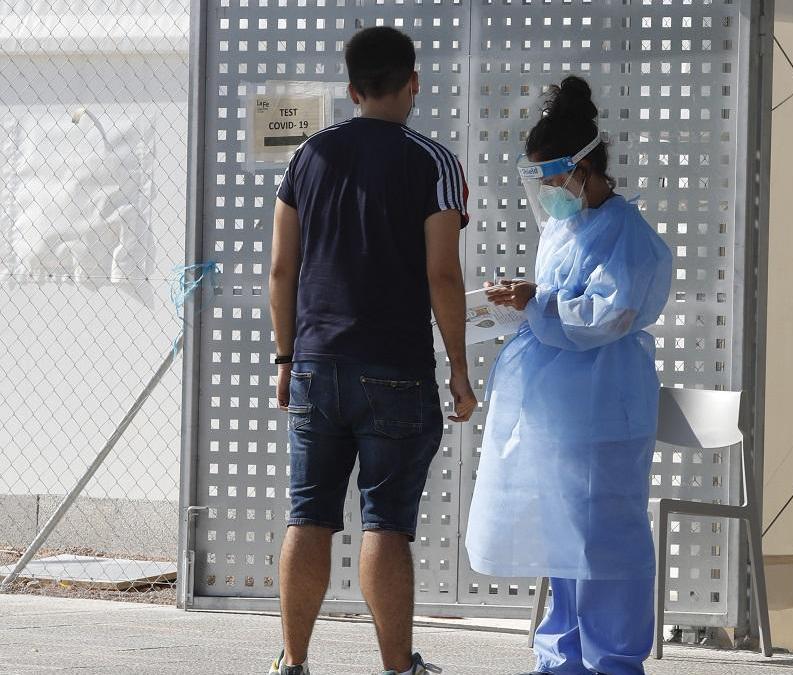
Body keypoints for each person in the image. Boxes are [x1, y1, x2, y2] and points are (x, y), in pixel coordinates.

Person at [267, 26, 475, 675]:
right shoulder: (432, 162)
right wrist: (461, 372)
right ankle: (396, 667)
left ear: (353, 89)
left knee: (310, 514)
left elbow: (281, 269)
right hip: (396, 370)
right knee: (386, 521)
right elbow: (442, 274)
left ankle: (293, 662)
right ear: (413, 82)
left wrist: (284, 358)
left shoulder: (309, 158)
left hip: (316, 362)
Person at [465, 75, 673, 675]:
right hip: (562, 412)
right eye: (542, 181)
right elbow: (558, 305)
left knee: (604, 540)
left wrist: (539, 302)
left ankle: (612, 661)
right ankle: (562, 659)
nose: (550, 192)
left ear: (584, 168)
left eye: (554, 178)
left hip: (605, 408)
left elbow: (607, 317)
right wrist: (524, 300)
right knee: (564, 537)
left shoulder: (629, 237)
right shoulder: (562, 229)